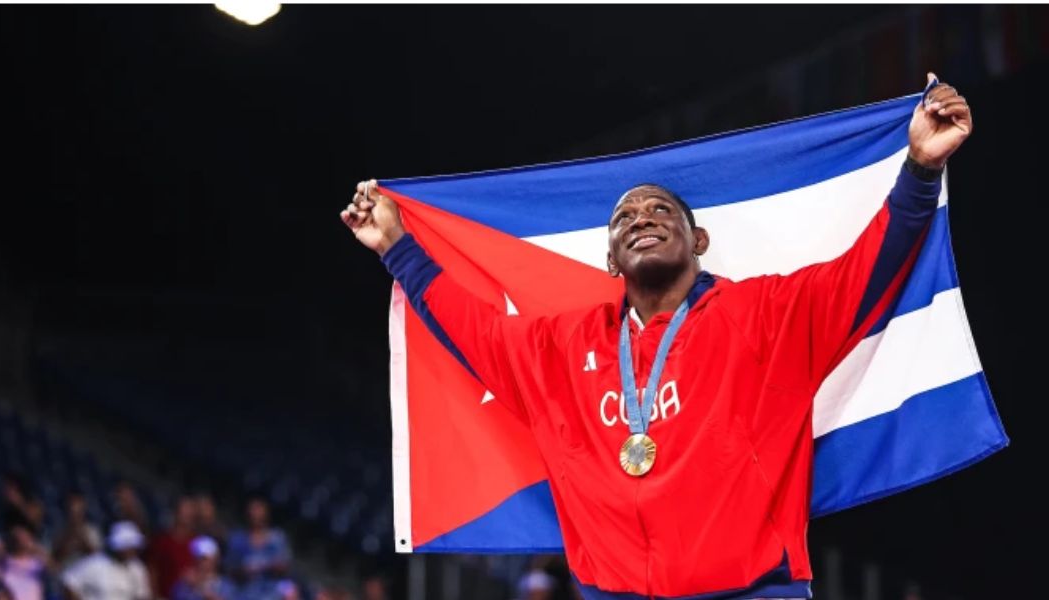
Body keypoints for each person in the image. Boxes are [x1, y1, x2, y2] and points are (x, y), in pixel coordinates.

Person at [340, 74, 972, 599]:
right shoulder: (559, 348)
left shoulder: (764, 315)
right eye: (624, 219)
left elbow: (867, 272)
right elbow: (471, 328)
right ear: (611, 263)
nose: (641, 219)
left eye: (660, 210)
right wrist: (397, 246)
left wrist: (919, 167)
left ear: (698, 242)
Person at [60, 521, 151, 600]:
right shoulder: (96, 563)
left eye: (133, 546)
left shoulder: (137, 568)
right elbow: (68, 581)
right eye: (127, 546)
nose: (131, 550)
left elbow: (142, 595)